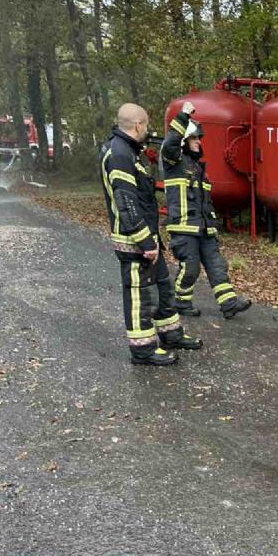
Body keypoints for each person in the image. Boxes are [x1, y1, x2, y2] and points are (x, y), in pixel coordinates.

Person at [99, 103, 202, 366]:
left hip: (147, 237)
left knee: (164, 288)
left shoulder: (130, 152)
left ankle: (171, 335)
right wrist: (145, 240)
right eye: (145, 125)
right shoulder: (120, 154)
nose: (147, 130)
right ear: (137, 125)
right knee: (139, 295)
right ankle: (143, 350)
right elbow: (127, 202)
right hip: (134, 241)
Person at [161, 101, 252, 319]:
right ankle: (181, 302)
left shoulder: (199, 168)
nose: (197, 141)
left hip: (205, 228)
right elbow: (170, 144)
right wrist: (183, 116)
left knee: (217, 266)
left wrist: (212, 225)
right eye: (193, 138)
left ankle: (229, 303)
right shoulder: (174, 163)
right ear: (184, 140)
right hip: (184, 228)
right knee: (190, 269)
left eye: (198, 138)